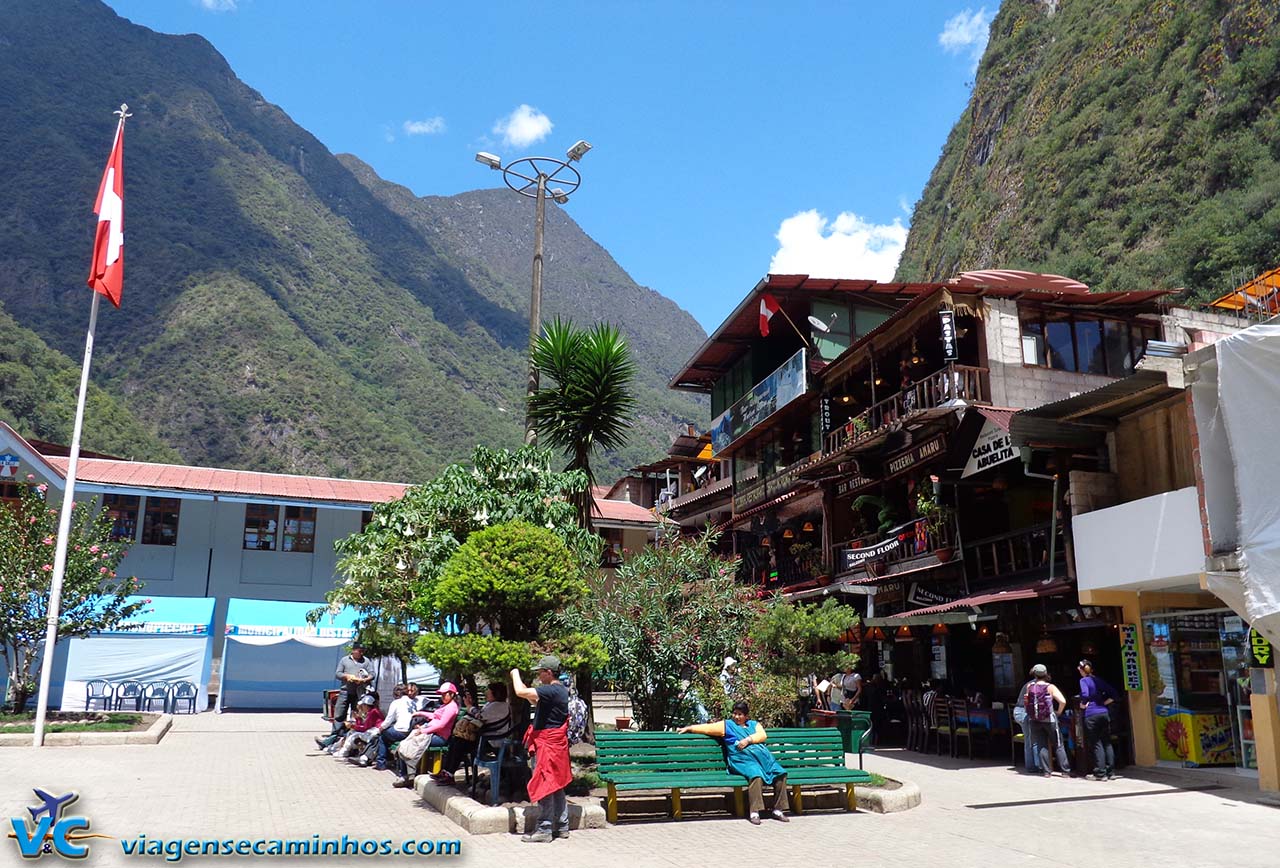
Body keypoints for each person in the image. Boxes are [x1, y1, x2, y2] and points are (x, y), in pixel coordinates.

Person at [679, 701, 790, 825]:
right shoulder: (727, 726)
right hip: (741, 761)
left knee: (780, 773)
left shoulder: (754, 725)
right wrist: (689, 728)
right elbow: (708, 728)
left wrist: (748, 740)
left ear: (746, 716)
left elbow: (762, 735)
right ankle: (754, 812)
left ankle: (778, 810)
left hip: (764, 760)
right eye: (735, 713)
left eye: (740, 714)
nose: (736, 717)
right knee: (756, 775)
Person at [512, 656, 572, 843]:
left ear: (549, 672)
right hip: (556, 744)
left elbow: (520, 691)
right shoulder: (559, 690)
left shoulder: (552, 689)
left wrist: (514, 673)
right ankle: (562, 826)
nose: (538, 675)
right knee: (557, 783)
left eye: (540, 672)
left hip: (547, 744)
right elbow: (534, 701)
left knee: (545, 782)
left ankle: (545, 828)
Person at [425, 683, 512, 788]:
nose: (486, 693)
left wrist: (469, 706)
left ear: (495, 693)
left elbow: (479, 715)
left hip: (490, 741)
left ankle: (449, 774)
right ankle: (446, 772)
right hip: (484, 738)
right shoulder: (491, 704)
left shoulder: (499, 706)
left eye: (488, 691)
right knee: (455, 741)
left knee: (459, 744)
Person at [317, 641, 374, 743]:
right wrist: (347, 676)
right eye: (359, 651)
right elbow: (338, 674)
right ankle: (334, 737)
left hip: (359, 692)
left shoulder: (366, 661)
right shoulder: (344, 660)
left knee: (357, 714)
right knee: (339, 715)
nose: (361, 653)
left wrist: (364, 680)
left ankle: (351, 737)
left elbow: (372, 674)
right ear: (353, 650)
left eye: (363, 651)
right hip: (345, 691)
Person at [1078, 659, 1120, 780]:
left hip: (1091, 715)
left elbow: (1085, 694)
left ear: (1081, 670)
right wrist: (1104, 703)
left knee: (1096, 743)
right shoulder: (1098, 680)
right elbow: (1114, 694)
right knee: (1107, 742)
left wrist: (1083, 703)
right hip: (1103, 713)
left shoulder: (1083, 680)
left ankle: (1100, 773)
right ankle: (1111, 772)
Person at [1023, 664, 1067, 778]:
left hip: (1034, 720)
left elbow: (1026, 701)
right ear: (1045, 673)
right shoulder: (1050, 687)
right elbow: (1062, 701)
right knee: (1058, 744)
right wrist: (1059, 712)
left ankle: (1047, 771)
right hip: (1049, 719)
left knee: (1042, 745)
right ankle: (1065, 770)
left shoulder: (1029, 686)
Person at [376, 684, 418, 772]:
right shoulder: (413, 702)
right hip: (410, 732)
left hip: (400, 731)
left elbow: (389, 720)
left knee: (382, 736)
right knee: (388, 734)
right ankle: (390, 759)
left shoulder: (396, 703)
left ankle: (381, 763)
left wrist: (381, 728)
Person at [335, 694, 384, 758]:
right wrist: (357, 719)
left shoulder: (372, 712)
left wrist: (352, 726)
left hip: (374, 732)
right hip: (373, 731)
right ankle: (339, 748)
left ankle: (344, 752)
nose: (361, 707)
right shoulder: (372, 712)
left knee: (354, 735)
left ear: (366, 705)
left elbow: (365, 728)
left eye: (363, 705)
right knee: (351, 733)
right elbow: (363, 726)